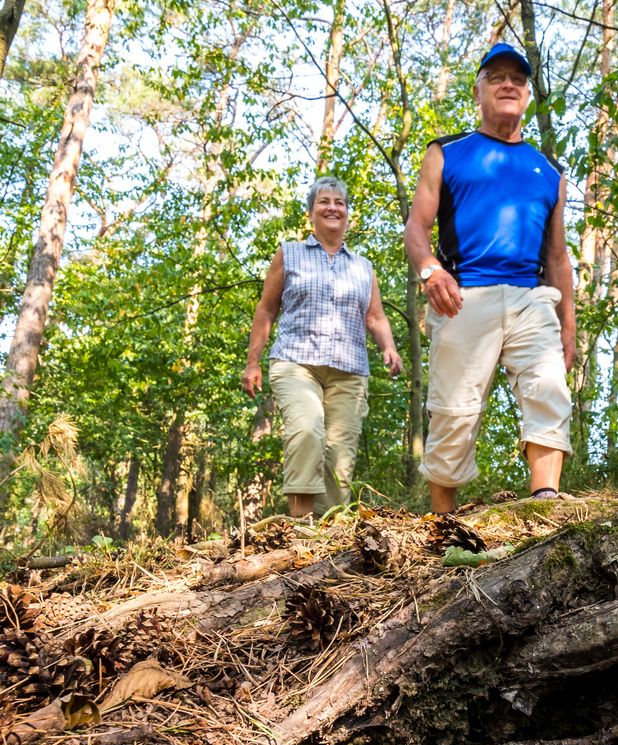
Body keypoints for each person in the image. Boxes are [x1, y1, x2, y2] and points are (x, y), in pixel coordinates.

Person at [404, 42, 577, 512]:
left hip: (530, 297)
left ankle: (545, 505)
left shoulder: (549, 171)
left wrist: (568, 325)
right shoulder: (447, 152)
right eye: (497, 77)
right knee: (454, 412)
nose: (508, 85)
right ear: (478, 90)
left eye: (518, 80)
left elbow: (558, 256)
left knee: (549, 390)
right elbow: (416, 228)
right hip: (463, 294)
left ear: (527, 96)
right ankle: (444, 521)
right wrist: (429, 271)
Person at [244, 177, 404, 518]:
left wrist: (388, 348)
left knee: (339, 456)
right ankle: (301, 529)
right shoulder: (289, 254)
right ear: (311, 214)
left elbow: (375, 317)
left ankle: (328, 537)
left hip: (349, 371)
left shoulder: (363, 267)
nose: (333, 207)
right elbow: (266, 309)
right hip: (296, 362)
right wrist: (252, 362)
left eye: (339, 203)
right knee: (306, 431)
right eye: (324, 202)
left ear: (347, 214)